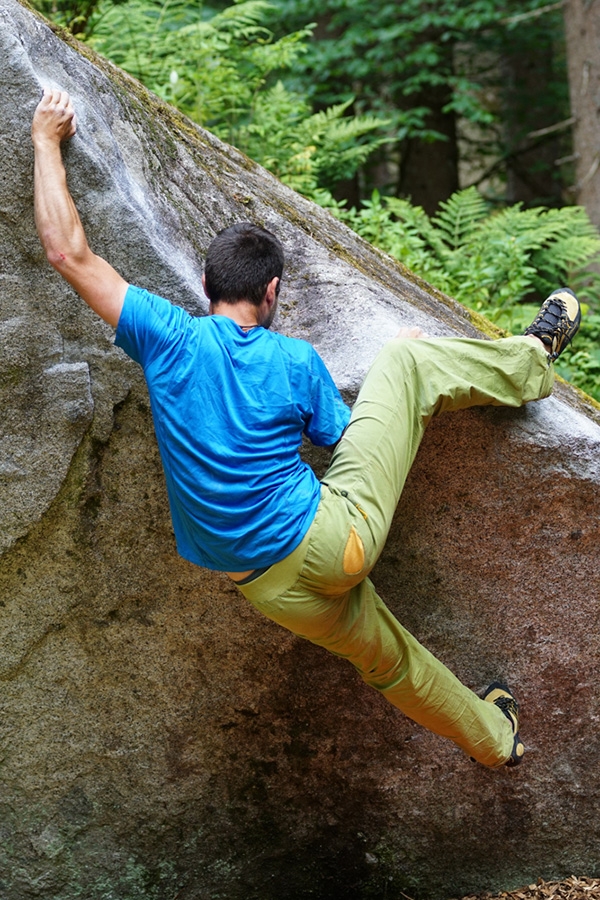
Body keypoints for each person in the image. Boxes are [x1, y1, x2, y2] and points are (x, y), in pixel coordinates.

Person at [32, 87, 581, 769]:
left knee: (392, 665)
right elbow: (348, 443)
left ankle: (497, 744)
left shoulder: (165, 337)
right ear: (272, 294)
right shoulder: (294, 358)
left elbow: (66, 252)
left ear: (205, 284)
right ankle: (532, 362)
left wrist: (44, 138)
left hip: (269, 589)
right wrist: (402, 373)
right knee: (405, 358)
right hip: (334, 543)